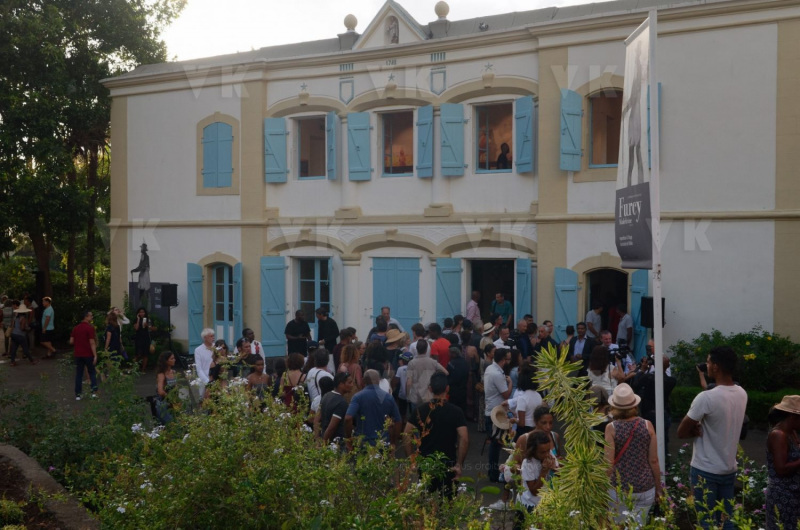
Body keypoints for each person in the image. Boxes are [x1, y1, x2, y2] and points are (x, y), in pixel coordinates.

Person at [677, 346, 748, 530]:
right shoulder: (742, 393)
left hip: (705, 469)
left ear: (716, 366)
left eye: (708, 362)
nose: (706, 365)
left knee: (707, 522)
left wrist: (694, 429)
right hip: (728, 468)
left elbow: (681, 432)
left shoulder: (706, 397)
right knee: (727, 521)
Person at [604, 383, 662, 526]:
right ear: (634, 405)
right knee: (638, 526)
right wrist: (659, 488)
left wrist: (602, 489)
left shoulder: (611, 428)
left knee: (618, 526)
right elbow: (654, 460)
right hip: (645, 487)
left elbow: (608, 463)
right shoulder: (647, 425)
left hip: (619, 488)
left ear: (614, 406)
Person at [404, 372, 469, 496]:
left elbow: (406, 434)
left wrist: (411, 461)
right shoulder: (456, 412)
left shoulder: (420, 410)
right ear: (447, 389)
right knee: (448, 502)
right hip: (448, 463)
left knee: (426, 502)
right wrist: (459, 464)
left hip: (425, 463)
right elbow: (464, 438)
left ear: (430, 389)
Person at [765, 395, 800, 530]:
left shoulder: (792, 432)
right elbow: (781, 468)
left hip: (793, 494)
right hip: (782, 496)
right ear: (792, 417)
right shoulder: (778, 435)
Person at [344, 369, 401, 447]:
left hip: (363, 442)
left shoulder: (357, 397)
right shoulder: (388, 397)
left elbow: (348, 418)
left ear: (363, 381)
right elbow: (398, 421)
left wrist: (349, 438)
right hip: (383, 442)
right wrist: (393, 442)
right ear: (379, 380)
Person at [484, 348, 513, 482]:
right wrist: (510, 383)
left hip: (491, 410)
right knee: (496, 444)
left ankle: (493, 472)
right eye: (507, 358)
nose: (508, 361)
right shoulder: (496, 374)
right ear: (502, 360)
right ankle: (494, 474)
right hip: (496, 413)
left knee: (495, 443)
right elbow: (506, 394)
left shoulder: (490, 369)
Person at [517, 431, 557, 520]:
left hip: (543, 503)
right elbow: (534, 492)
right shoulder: (528, 463)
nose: (547, 454)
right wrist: (544, 471)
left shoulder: (549, 454)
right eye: (542, 452)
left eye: (548, 450)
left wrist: (555, 468)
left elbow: (559, 474)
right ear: (533, 451)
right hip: (529, 505)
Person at [406, 339, 448, 414]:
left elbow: (409, 382)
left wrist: (407, 395)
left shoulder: (411, 363)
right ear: (426, 349)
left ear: (417, 349)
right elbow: (446, 372)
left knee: (415, 420)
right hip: (429, 396)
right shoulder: (433, 362)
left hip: (416, 396)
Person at [70, 310, 97, 399]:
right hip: (88, 353)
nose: (92, 317)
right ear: (86, 316)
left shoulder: (76, 328)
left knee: (79, 374)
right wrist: (95, 354)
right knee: (92, 372)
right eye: (90, 316)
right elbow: (92, 342)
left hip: (78, 354)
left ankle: (78, 394)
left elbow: (71, 341)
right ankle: (93, 392)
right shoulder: (90, 328)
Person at [321, 372, 354, 444]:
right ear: (341, 384)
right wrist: (324, 444)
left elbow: (317, 419)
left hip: (323, 436)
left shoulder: (326, 396)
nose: (352, 385)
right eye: (349, 382)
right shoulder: (341, 403)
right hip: (335, 443)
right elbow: (331, 427)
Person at [8, 301, 37, 366]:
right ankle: (32, 361)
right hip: (20, 335)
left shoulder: (15, 317)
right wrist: (27, 329)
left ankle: (12, 362)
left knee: (14, 349)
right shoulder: (23, 318)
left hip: (14, 334)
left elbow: (12, 325)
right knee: (25, 349)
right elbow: (22, 328)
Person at [155, 351, 177, 424]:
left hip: (173, 402)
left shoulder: (173, 372)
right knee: (171, 424)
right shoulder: (161, 374)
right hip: (164, 403)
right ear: (166, 361)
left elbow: (176, 387)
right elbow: (160, 391)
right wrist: (170, 399)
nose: (174, 360)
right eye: (172, 358)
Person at [194, 328, 215, 394]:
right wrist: (207, 381)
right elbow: (199, 369)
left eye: (213, 336)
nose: (213, 338)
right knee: (203, 400)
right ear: (205, 338)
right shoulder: (198, 350)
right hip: (204, 378)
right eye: (211, 336)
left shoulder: (216, 347)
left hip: (216, 377)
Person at [133, 307, 153, 372]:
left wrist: (147, 325)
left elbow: (152, 329)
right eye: (140, 312)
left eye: (143, 312)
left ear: (145, 313)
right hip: (138, 337)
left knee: (145, 354)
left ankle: (143, 369)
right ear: (138, 313)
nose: (142, 313)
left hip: (146, 338)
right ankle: (135, 368)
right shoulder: (136, 319)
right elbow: (136, 328)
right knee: (137, 354)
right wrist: (138, 319)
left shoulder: (148, 319)